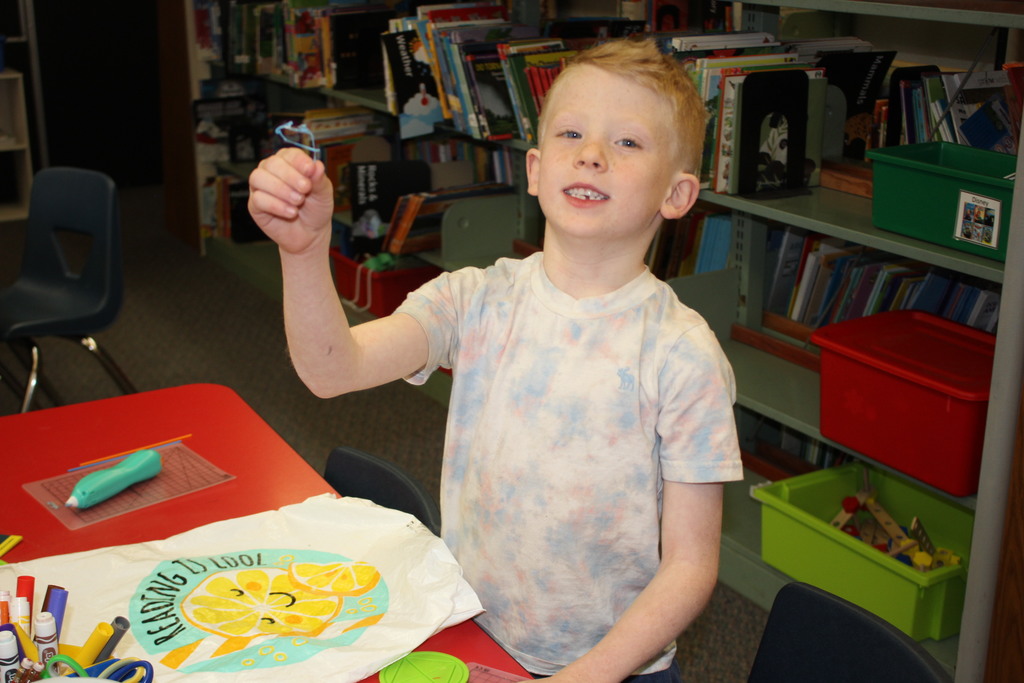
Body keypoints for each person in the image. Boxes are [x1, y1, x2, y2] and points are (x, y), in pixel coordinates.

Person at [248, 37, 742, 683]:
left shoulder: (682, 353)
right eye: (571, 132)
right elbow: (332, 368)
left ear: (676, 194)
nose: (591, 154)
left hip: (616, 667)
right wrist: (303, 250)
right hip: (474, 637)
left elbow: (690, 564)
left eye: (626, 143)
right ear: (535, 169)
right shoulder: (475, 299)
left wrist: (586, 676)